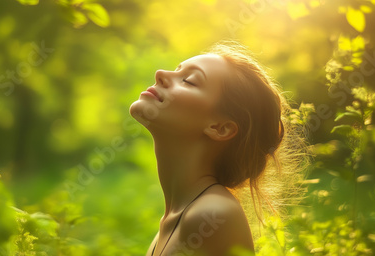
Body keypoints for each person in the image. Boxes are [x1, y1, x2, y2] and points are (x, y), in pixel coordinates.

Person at [129, 42, 306, 256]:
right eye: (177, 70)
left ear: (220, 128)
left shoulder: (212, 215)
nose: (160, 74)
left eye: (188, 80)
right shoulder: (175, 222)